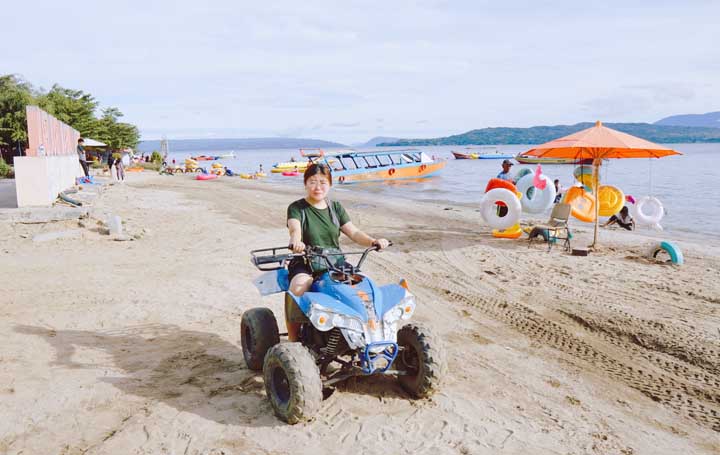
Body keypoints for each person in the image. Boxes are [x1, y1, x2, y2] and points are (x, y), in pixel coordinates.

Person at [286, 163, 390, 341]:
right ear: (305, 184)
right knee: (298, 287)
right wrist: (296, 242)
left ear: (330, 184)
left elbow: (354, 233)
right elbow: (295, 229)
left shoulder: (335, 208)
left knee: (363, 287)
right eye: (312, 182)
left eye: (322, 182)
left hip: (335, 261)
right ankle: (293, 337)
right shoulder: (297, 208)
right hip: (306, 261)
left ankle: (367, 333)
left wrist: (373, 241)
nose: (318, 187)